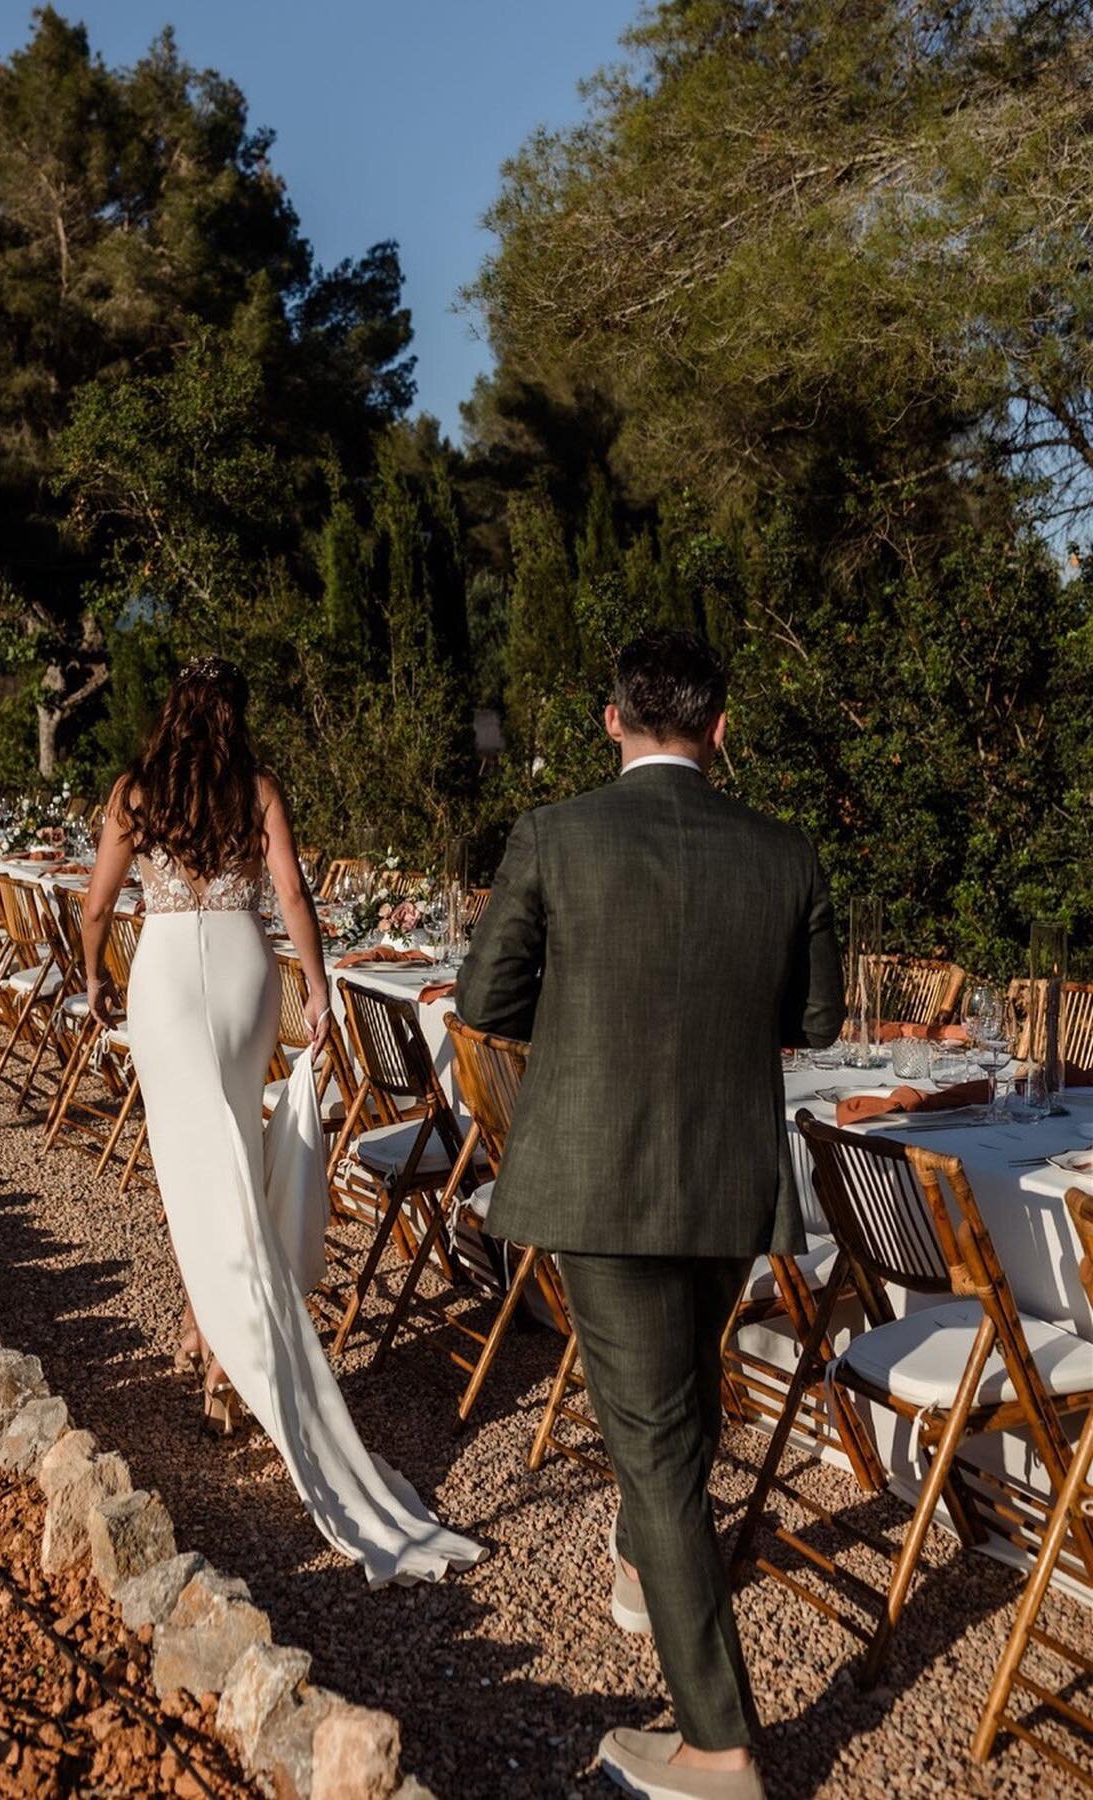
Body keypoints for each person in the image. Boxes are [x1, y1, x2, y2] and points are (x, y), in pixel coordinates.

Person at [456, 630, 844, 1797]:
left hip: (600, 1176)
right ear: (721, 729)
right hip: (731, 1179)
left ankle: (720, 1746)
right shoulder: (784, 852)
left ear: (612, 719)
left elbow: (485, 997)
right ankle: (643, 1575)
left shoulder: (554, 836)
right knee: (683, 1398)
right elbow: (818, 1024)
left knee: (660, 1445)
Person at [81, 656, 485, 1588]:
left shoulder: (135, 793)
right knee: (238, 1155)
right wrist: (315, 981)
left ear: (172, 710)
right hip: (245, 973)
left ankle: (223, 1353)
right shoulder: (256, 788)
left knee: (194, 1173)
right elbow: (293, 897)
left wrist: (96, 969)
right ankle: (213, 1343)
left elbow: (99, 904)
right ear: (236, 718)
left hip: (171, 983)